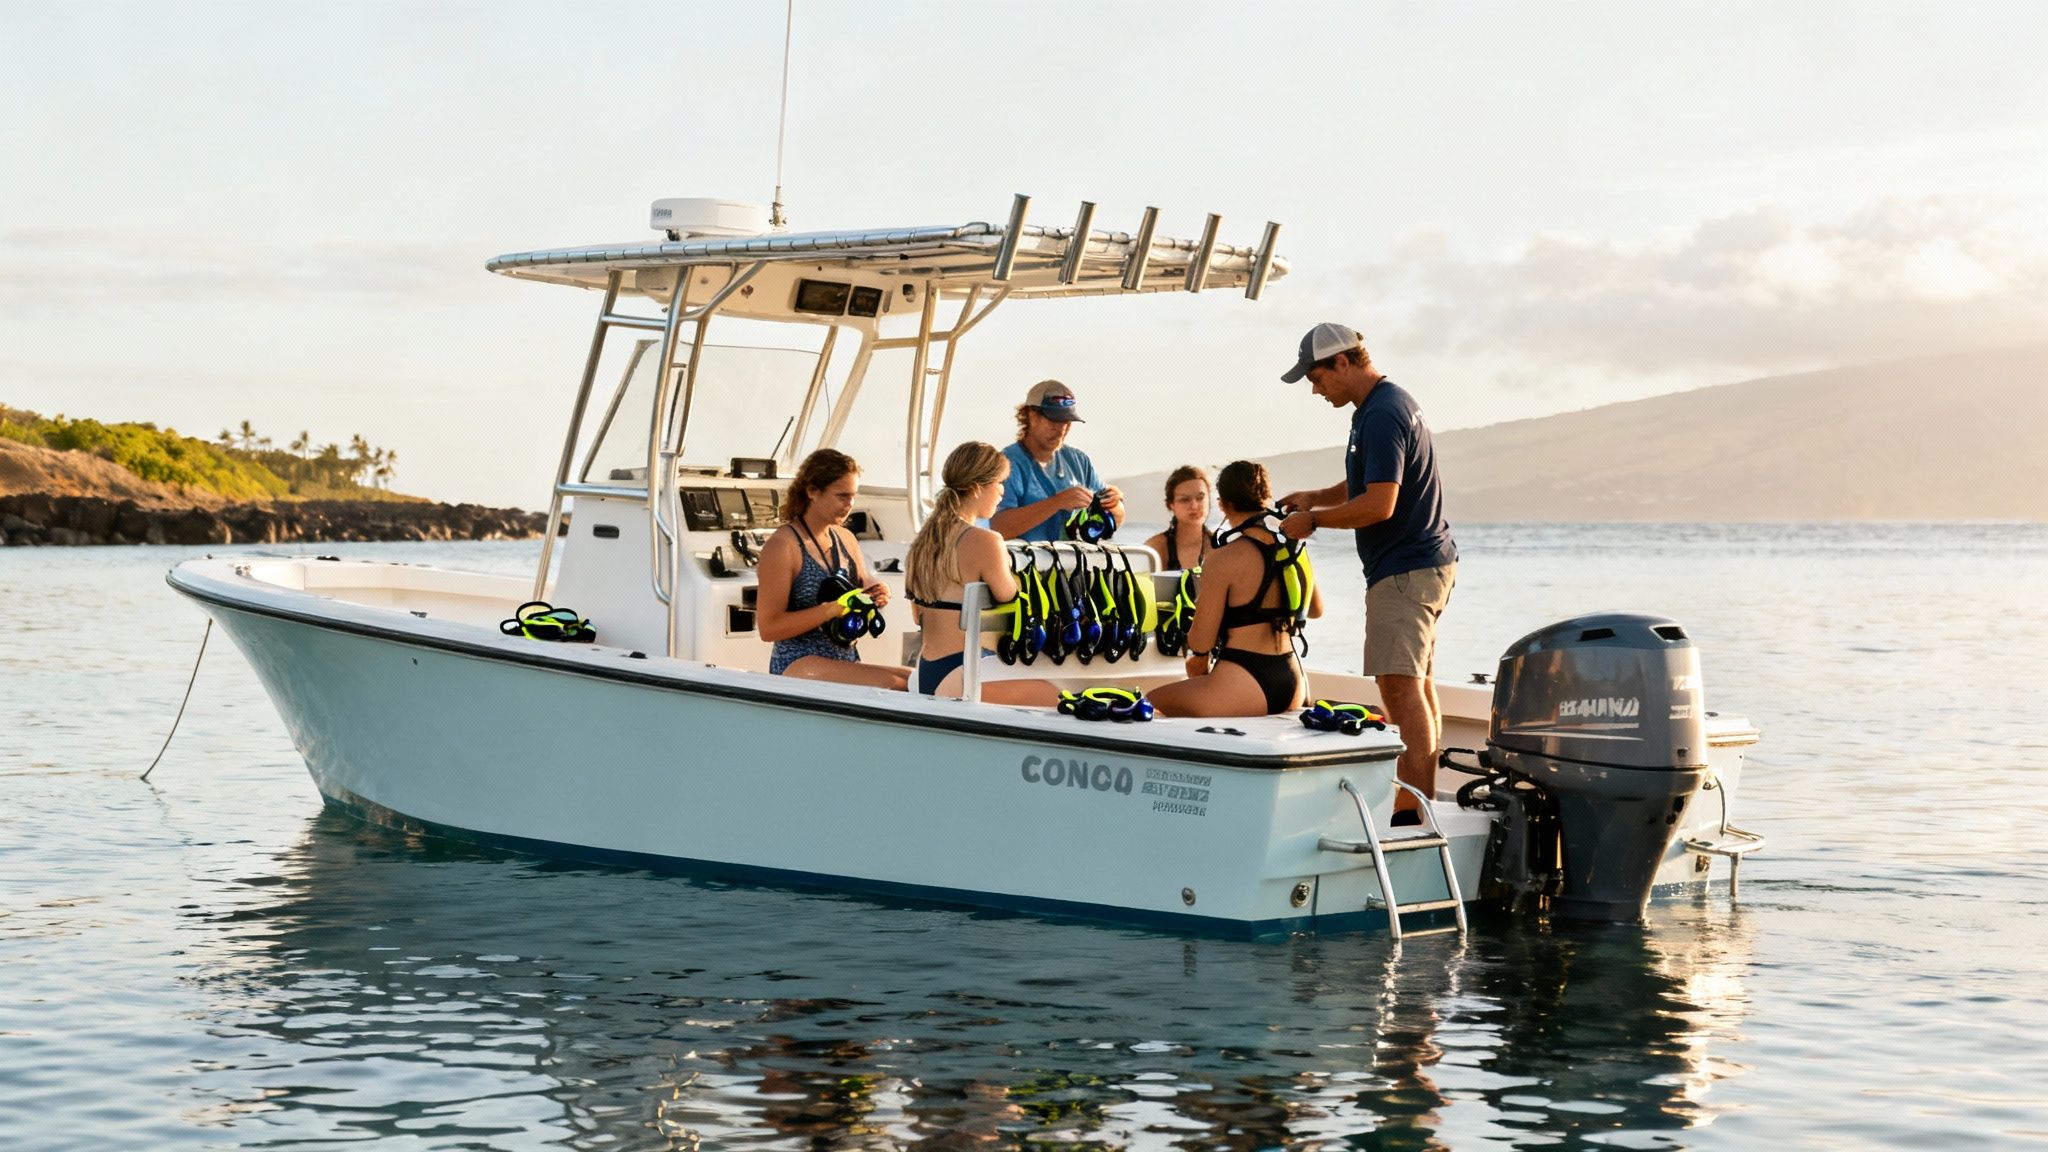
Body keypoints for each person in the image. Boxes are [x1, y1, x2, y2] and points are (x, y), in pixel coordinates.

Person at [1275, 323, 1458, 820]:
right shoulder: (1383, 406)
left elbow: (1380, 503)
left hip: (1405, 569)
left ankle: (1411, 809)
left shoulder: (1379, 415)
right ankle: (1418, 799)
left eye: (1317, 378)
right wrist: (1318, 496)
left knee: (1399, 685)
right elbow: (1369, 478)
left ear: (1343, 363)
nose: (1315, 390)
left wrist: (1311, 521)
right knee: (1416, 683)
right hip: (1424, 564)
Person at [1148, 461, 1323, 718]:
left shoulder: (1221, 559)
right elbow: (1316, 610)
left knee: (1149, 703)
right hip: (1294, 678)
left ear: (1222, 504)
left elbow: (1200, 642)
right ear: (1266, 499)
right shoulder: (1294, 549)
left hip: (1244, 678)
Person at [904, 442, 1060, 705]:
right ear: (977, 488)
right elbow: (1011, 599)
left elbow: (916, 615)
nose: (1002, 492)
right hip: (962, 674)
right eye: (999, 483)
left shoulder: (923, 542)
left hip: (927, 672)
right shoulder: (985, 541)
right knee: (1069, 699)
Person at [754, 448, 912, 691]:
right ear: (812, 492)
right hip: (798, 663)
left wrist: (877, 591)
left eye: (854, 497)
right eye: (842, 496)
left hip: (843, 658)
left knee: (914, 679)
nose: (849, 505)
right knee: (894, 684)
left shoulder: (845, 538)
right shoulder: (782, 546)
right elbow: (768, 628)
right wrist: (831, 610)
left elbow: (864, 582)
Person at [989, 379, 1125, 543]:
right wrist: (1057, 502)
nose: (1061, 430)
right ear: (1032, 417)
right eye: (1054, 421)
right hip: (1026, 567)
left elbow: (1114, 520)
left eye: (1067, 422)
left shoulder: (1079, 461)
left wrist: (1115, 503)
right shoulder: (1007, 463)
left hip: (1074, 567)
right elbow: (998, 528)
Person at [1142, 465, 1212, 571]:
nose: (1194, 506)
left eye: (1200, 498)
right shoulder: (1155, 548)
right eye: (1184, 500)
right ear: (1171, 504)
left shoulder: (1224, 545)